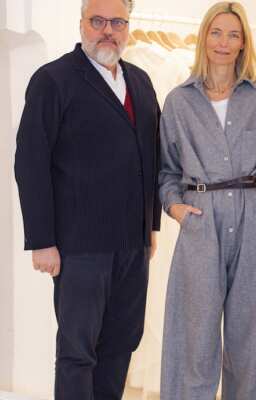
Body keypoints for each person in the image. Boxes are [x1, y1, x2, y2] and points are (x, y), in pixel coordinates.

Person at [14, 0, 161, 398]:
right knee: (78, 351)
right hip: (79, 246)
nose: (107, 30)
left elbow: (151, 155)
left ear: (128, 27)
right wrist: (42, 240)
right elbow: (31, 162)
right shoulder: (54, 79)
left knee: (122, 342)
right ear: (82, 24)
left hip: (132, 244)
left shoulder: (141, 82)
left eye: (117, 22)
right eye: (97, 21)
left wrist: (150, 226)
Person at [158, 2, 256, 399]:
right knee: (193, 339)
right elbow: (166, 170)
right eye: (216, 32)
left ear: (244, 42)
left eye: (233, 34)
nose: (223, 42)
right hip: (200, 219)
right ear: (204, 37)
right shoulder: (179, 101)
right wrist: (176, 208)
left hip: (252, 218)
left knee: (252, 340)